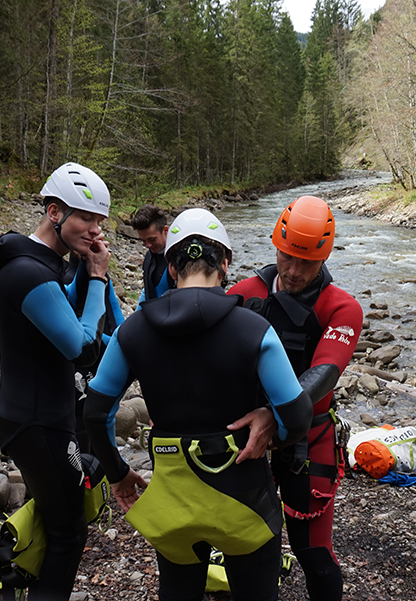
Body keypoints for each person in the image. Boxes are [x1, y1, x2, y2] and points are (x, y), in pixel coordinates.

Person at [84, 208, 313, 601]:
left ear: (171, 269)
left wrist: (119, 473)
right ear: (224, 264)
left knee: (178, 590)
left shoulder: (131, 331)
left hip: (174, 499)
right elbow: (297, 414)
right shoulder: (255, 329)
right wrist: (273, 431)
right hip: (244, 496)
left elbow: (96, 413)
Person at [0, 162, 112, 601]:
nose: (93, 230)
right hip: (38, 423)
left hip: (37, 416)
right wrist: (95, 277)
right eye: (85, 218)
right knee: (68, 535)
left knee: (58, 520)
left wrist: (82, 271)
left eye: (99, 221)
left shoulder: (41, 264)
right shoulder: (27, 272)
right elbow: (77, 343)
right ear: (54, 212)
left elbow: (61, 316)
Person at [228, 195, 363, 601]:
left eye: (308, 262)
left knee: (314, 555)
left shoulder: (342, 307)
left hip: (309, 438)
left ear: (325, 258)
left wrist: (275, 414)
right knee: (250, 548)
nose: (294, 271)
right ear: (276, 246)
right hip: (246, 437)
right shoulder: (243, 292)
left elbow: (323, 373)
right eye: (287, 257)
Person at [130, 204, 175, 302]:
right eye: (143, 241)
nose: (148, 245)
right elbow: (146, 291)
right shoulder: (149, 257)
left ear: (165, 231)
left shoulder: (180, 259)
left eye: (152, 239)